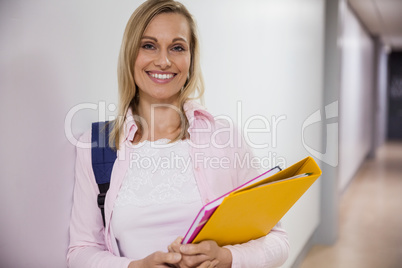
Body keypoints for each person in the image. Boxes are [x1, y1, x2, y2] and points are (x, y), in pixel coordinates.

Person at [67, 0, 289, 267]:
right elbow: (81, 251)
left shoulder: (225, 138)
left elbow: (278, 240)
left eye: (177, 47)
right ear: (130, 54)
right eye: (149, 45)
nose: (163, 61)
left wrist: (228, 258)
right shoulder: (96, 147)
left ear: (190, 59)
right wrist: (134, 267)